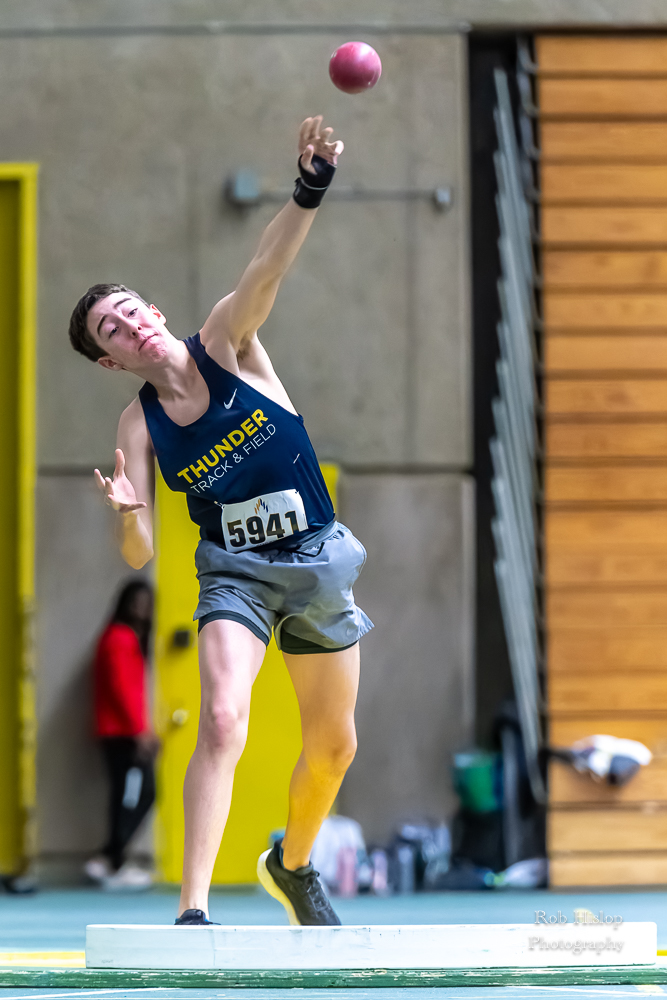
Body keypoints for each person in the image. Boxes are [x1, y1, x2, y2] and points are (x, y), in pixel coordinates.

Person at [68, 117, 372, 926]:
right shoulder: (137, 426)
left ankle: (291, 865)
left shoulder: (227, 342)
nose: (127, 323)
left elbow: (268, 264)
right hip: (235, 574)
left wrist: (310, 185)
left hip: (316, 559)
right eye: (110, 329)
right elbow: (139, 553)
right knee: (221, 718)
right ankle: (192, 911)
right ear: (110, 359)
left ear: (154, 311)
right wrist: (128, 516)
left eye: (128, 309)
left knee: (334, 747)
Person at [85, 579, 159, 890]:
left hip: (123, 731)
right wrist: (140, 732)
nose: (141, 609)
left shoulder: (125, 637)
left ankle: (110, 858)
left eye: (146, 604)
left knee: (128, 796)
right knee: (135, 796)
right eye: (136, 602)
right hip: (123, 733)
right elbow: (121, 689)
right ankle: (111, 859)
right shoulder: (119, 638)